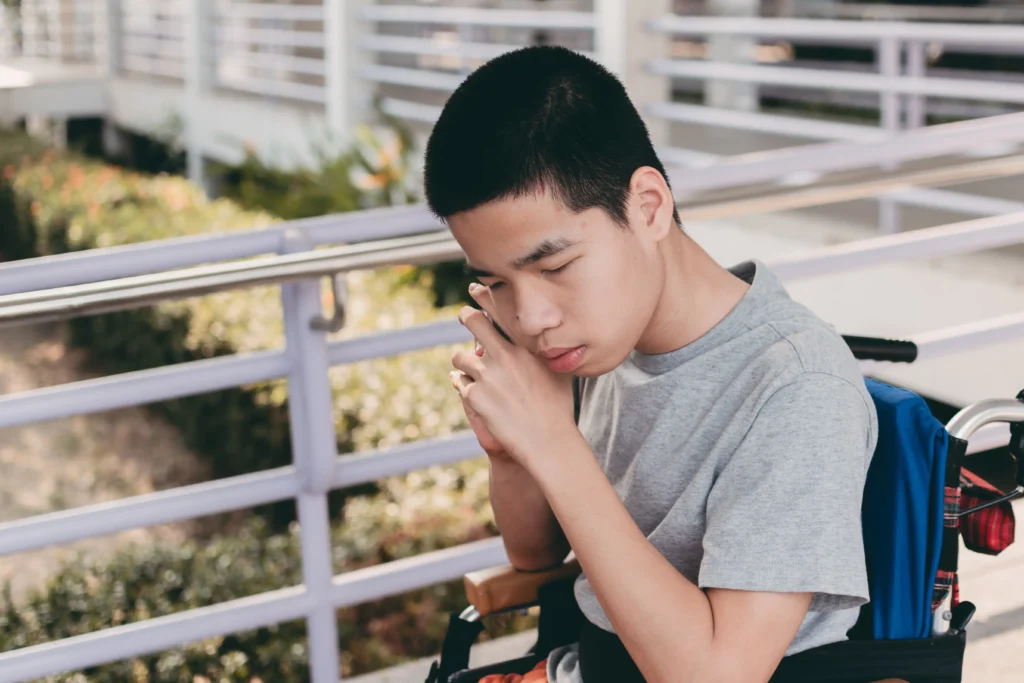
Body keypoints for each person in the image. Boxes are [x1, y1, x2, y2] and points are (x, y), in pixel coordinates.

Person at [424, 45, 878, 683]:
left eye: (553, 267)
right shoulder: (600, 339)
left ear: (648, 207)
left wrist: (554, 446)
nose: (530, 318)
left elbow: (719, 675)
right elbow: (537, 553)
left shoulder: (796, 386)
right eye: (495, 282)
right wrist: (511, 454)